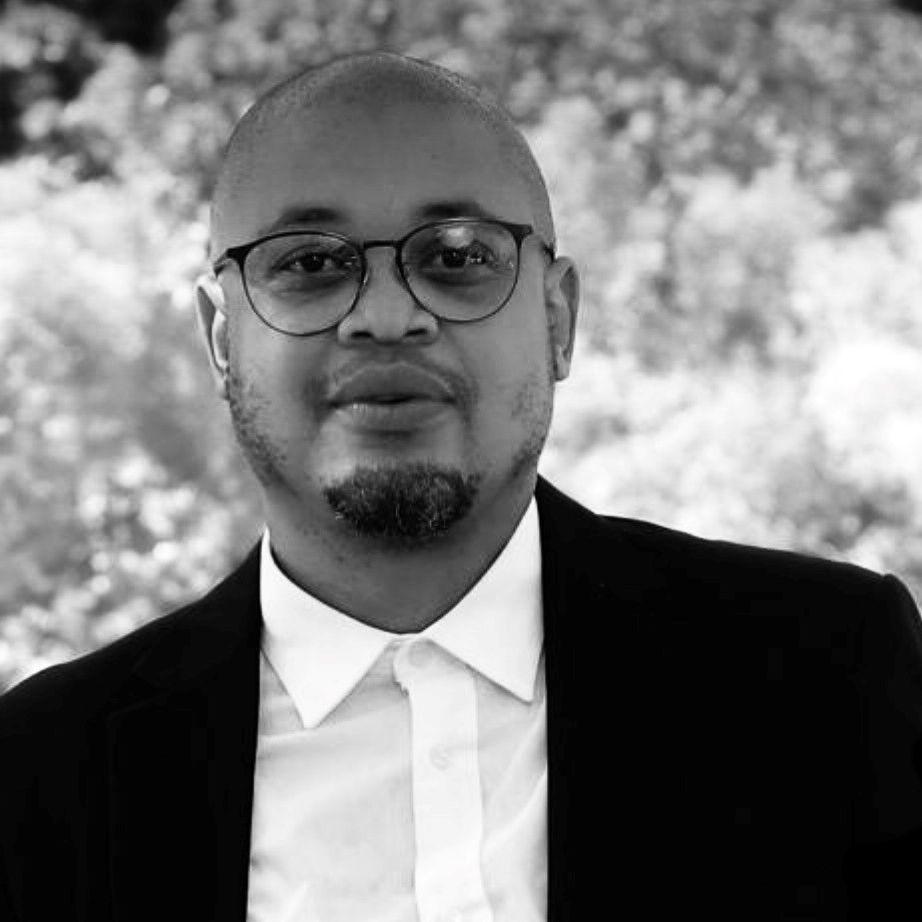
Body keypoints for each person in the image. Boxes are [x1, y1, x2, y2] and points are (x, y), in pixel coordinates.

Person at [1, 50, 922, 922]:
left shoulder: (828, 676)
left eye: (457, 257)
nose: (387, 316)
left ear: (558, 318)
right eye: (311, 264)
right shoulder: (41, 776)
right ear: (219, 338)